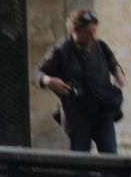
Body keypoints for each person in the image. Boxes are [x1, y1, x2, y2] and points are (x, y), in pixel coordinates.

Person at [36, 8, 125, 154]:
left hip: (102, 111)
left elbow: (112, 61)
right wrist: (48, 80)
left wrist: (118, 73)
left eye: (94, 31)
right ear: (76, 30)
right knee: (80, 160)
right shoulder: (61, 50)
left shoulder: (100, 46)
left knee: (110, 155)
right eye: (88, 32)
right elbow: (39, 73)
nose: (92, 35)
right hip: (77, 115)